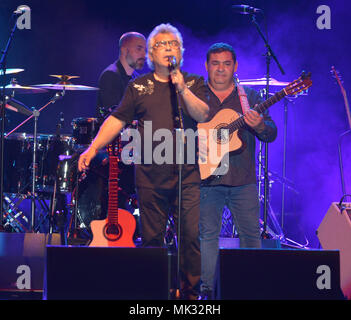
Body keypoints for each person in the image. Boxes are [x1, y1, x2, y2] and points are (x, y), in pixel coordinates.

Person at [78, 23, 209, 300]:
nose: (168, 49)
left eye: (173, 44)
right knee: (151, 240)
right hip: (150, 176)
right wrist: (92, 149)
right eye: (161, 45)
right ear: (151, 53)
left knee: (189, 239)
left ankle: (191, 295)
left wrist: (183, 89)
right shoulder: (138, 86)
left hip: (187, 176)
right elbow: (117, 119)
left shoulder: (194, 82)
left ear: (180, 52)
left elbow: (203, 114)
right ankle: (153, 293)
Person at [199, 43, 277, 299]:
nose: (221, 69)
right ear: (207, 66)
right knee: (207, 235)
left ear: (235, 67)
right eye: (215, 63)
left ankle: (249, 288)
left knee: (250, 235)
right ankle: (206, 292)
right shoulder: (196, 95)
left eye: (226, 63)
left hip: (243, 179)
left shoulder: (250, 98)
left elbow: (271, 133)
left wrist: (260, 126)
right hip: (206, 178)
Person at [97, 32, 146, 117]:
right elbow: (115, 116)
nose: (144, 54)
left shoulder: (137, 78)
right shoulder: (110, 76)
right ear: (124, 50)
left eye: (145, 50)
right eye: (139, 49)